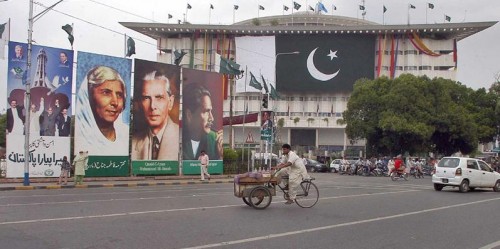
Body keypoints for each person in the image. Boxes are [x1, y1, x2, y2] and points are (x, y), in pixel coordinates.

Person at [75, 66, 129, 155]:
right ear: (90, 96)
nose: (115, 102)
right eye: (106, 93)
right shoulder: (80, 136)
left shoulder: (125, 134)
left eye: (119, 95)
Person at [132, 71, 179, 160]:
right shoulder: (134, 141)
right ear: (140, 103)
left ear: (170, 102)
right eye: (146, 98)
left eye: (159, 97)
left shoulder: (181, 138)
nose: (152, 106)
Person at [182, 84, 222, 160]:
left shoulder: (215, 140)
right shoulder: (178, 139)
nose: (212, 118)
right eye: (206, 111)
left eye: (210, 111)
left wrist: (221, 155)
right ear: (189, 115)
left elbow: (217, 169)